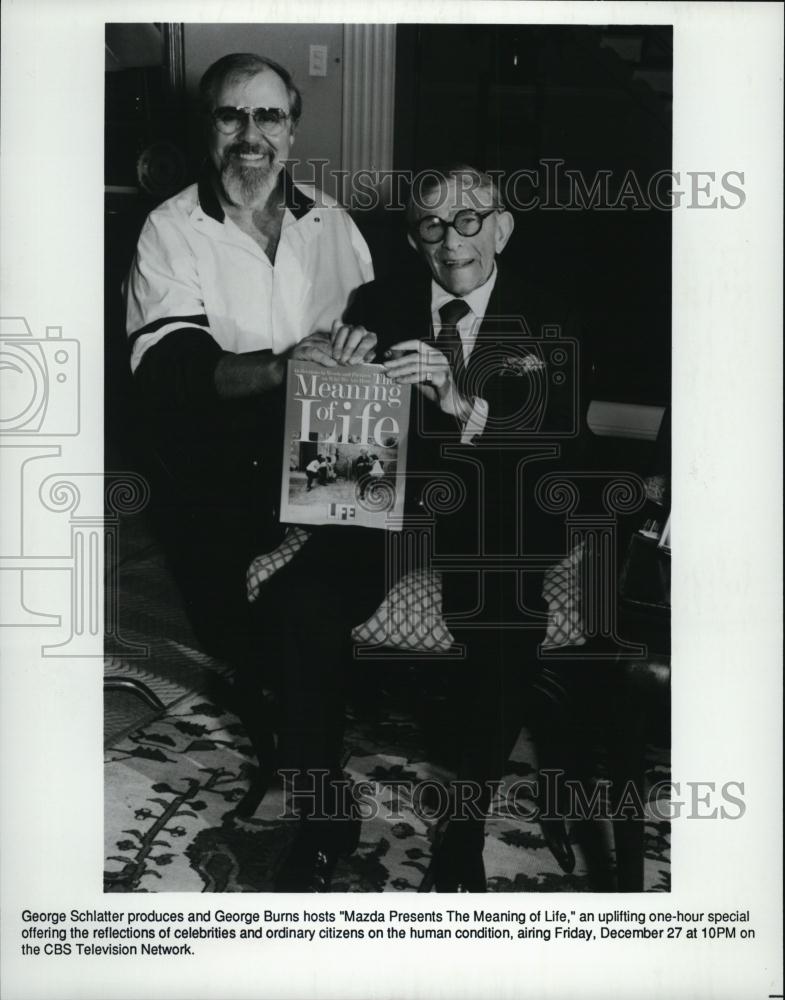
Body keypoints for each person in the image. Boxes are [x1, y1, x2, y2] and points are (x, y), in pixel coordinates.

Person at [124, 52, 379, 891]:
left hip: (339, 461)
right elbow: (170, 369)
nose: (250, 134)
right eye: (231, 115)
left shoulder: (332, 222)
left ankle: (316, 784)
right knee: (241, 622)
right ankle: (293, 743)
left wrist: (367, 343)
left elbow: (382, 322)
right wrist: (281, 367)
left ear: (292, 129)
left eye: (268, 116)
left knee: (309, 605)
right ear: (207, 127)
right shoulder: (170, 229)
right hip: (220, 469)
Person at [343, 163, 581, 890]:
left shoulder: (552, 314)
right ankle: (321, 813)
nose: (451, 242)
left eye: (469, 220)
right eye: (432, 225)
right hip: (396, 513)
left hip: (504, 515)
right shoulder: (376, 303)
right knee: (304, 595)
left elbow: (556, 443)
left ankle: (465, 824)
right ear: (413, 239)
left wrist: (457, 400)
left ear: (501, 229)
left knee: (505, 618)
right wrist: (331, 369)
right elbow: (349, 440)